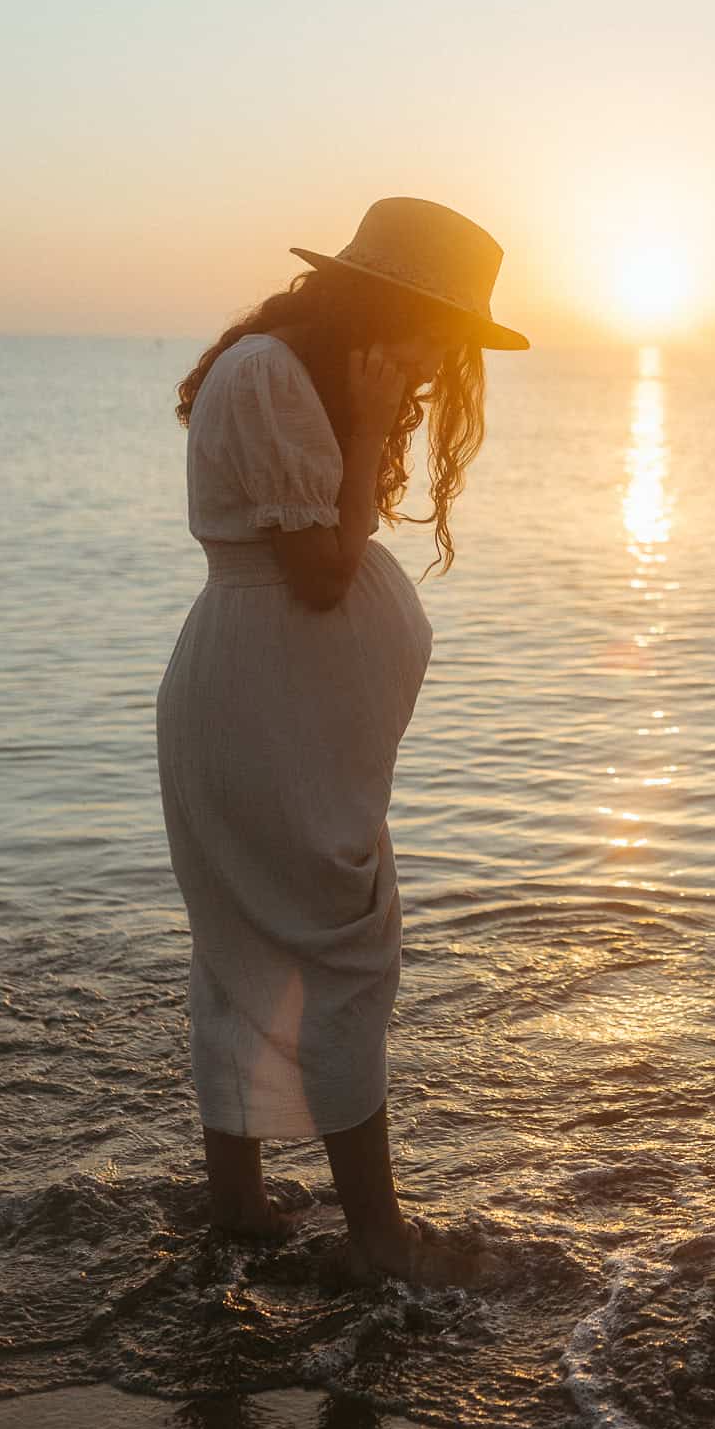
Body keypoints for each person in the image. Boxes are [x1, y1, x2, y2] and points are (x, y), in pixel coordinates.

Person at [157, 197, 527, 1284]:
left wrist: (363, 422)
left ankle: (239, 1208)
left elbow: (334, 545)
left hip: (279, 703)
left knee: (250, 947)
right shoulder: (272, 375)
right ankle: (377, 1238)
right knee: (340, 949)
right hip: (264, 701)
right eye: (437, 333)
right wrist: (367, 426)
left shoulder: (290, 374)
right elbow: (322, 576)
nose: (438, 363)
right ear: (382, 304)